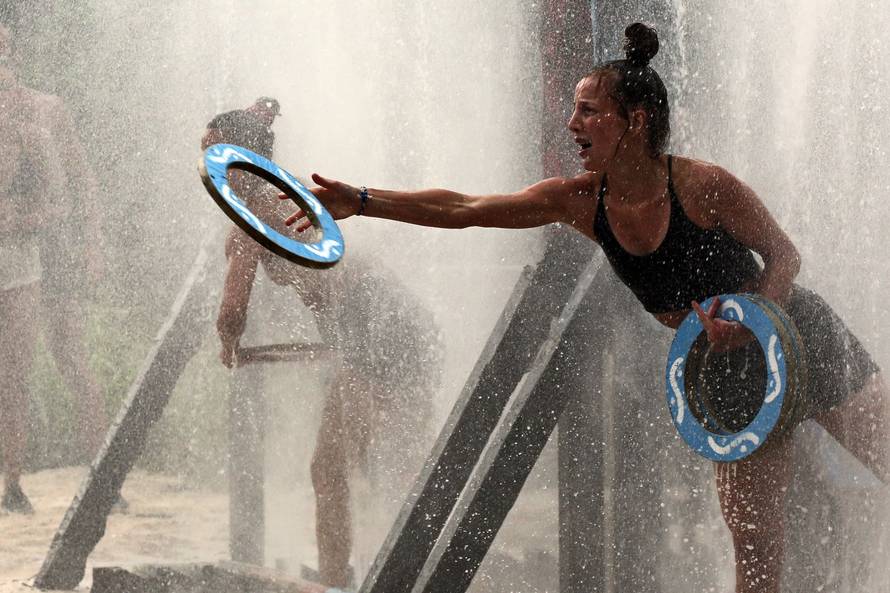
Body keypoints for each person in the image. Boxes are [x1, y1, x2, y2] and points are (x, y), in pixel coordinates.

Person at [282, 23, 888, 593]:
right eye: (574, 108)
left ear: (637, 120)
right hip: (723, 367)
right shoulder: (577, 201)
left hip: (802, 337)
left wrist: (753, 322)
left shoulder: (702, 185)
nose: (571, 122)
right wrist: (361, 201)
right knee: (754, 542)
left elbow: (783, 254)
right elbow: (464, 207)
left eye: (588, 110)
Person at [203, 108, 441, 588]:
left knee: (330, 469)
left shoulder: (252, 214)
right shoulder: (281, 194)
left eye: (210, 150)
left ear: (237, 162)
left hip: (377, 329)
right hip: (399, 321)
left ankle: (338, 582)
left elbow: (232, 311)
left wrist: (228, 343)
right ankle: (430, 569)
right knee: (401, 462)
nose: (203, 162)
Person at [0, 22, 74, 514]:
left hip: (18, 262)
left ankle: (12, 483)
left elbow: (59, 202)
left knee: (14, 373)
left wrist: (19, 218)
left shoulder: (31, 128)